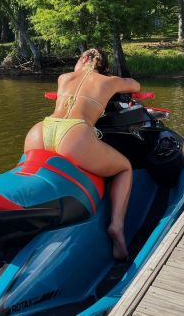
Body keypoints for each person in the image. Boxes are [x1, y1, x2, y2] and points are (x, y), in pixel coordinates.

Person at [24, 48, 140, 261]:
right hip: (74, 133)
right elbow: (134, 85)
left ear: (84, 59)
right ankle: (116, 226)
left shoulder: (63, 77)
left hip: (42, 129)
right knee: (124, 167)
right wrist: (114, 81)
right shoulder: (109, 81)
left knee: (30, 172)